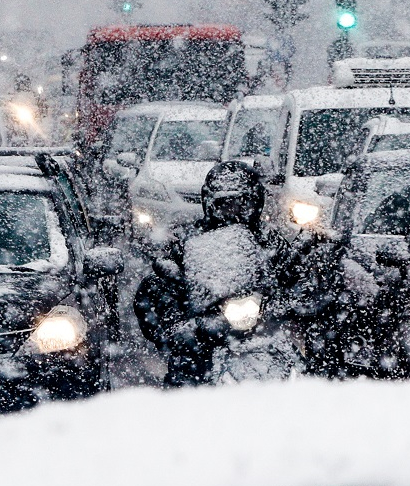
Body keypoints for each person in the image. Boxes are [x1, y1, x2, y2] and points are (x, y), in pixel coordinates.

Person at [133, 161, 319, 384]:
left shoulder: (268, 239)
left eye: (242, 204)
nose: (235, 211)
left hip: (262, 332)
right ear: (210, 204)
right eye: (226, 204)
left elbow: (296, 277)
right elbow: (155, 292)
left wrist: (292, 302)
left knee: (304, 372)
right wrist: (179, 327)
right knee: (183, 382)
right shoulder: (188, 240)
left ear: (256, 203)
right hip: (205, 340)